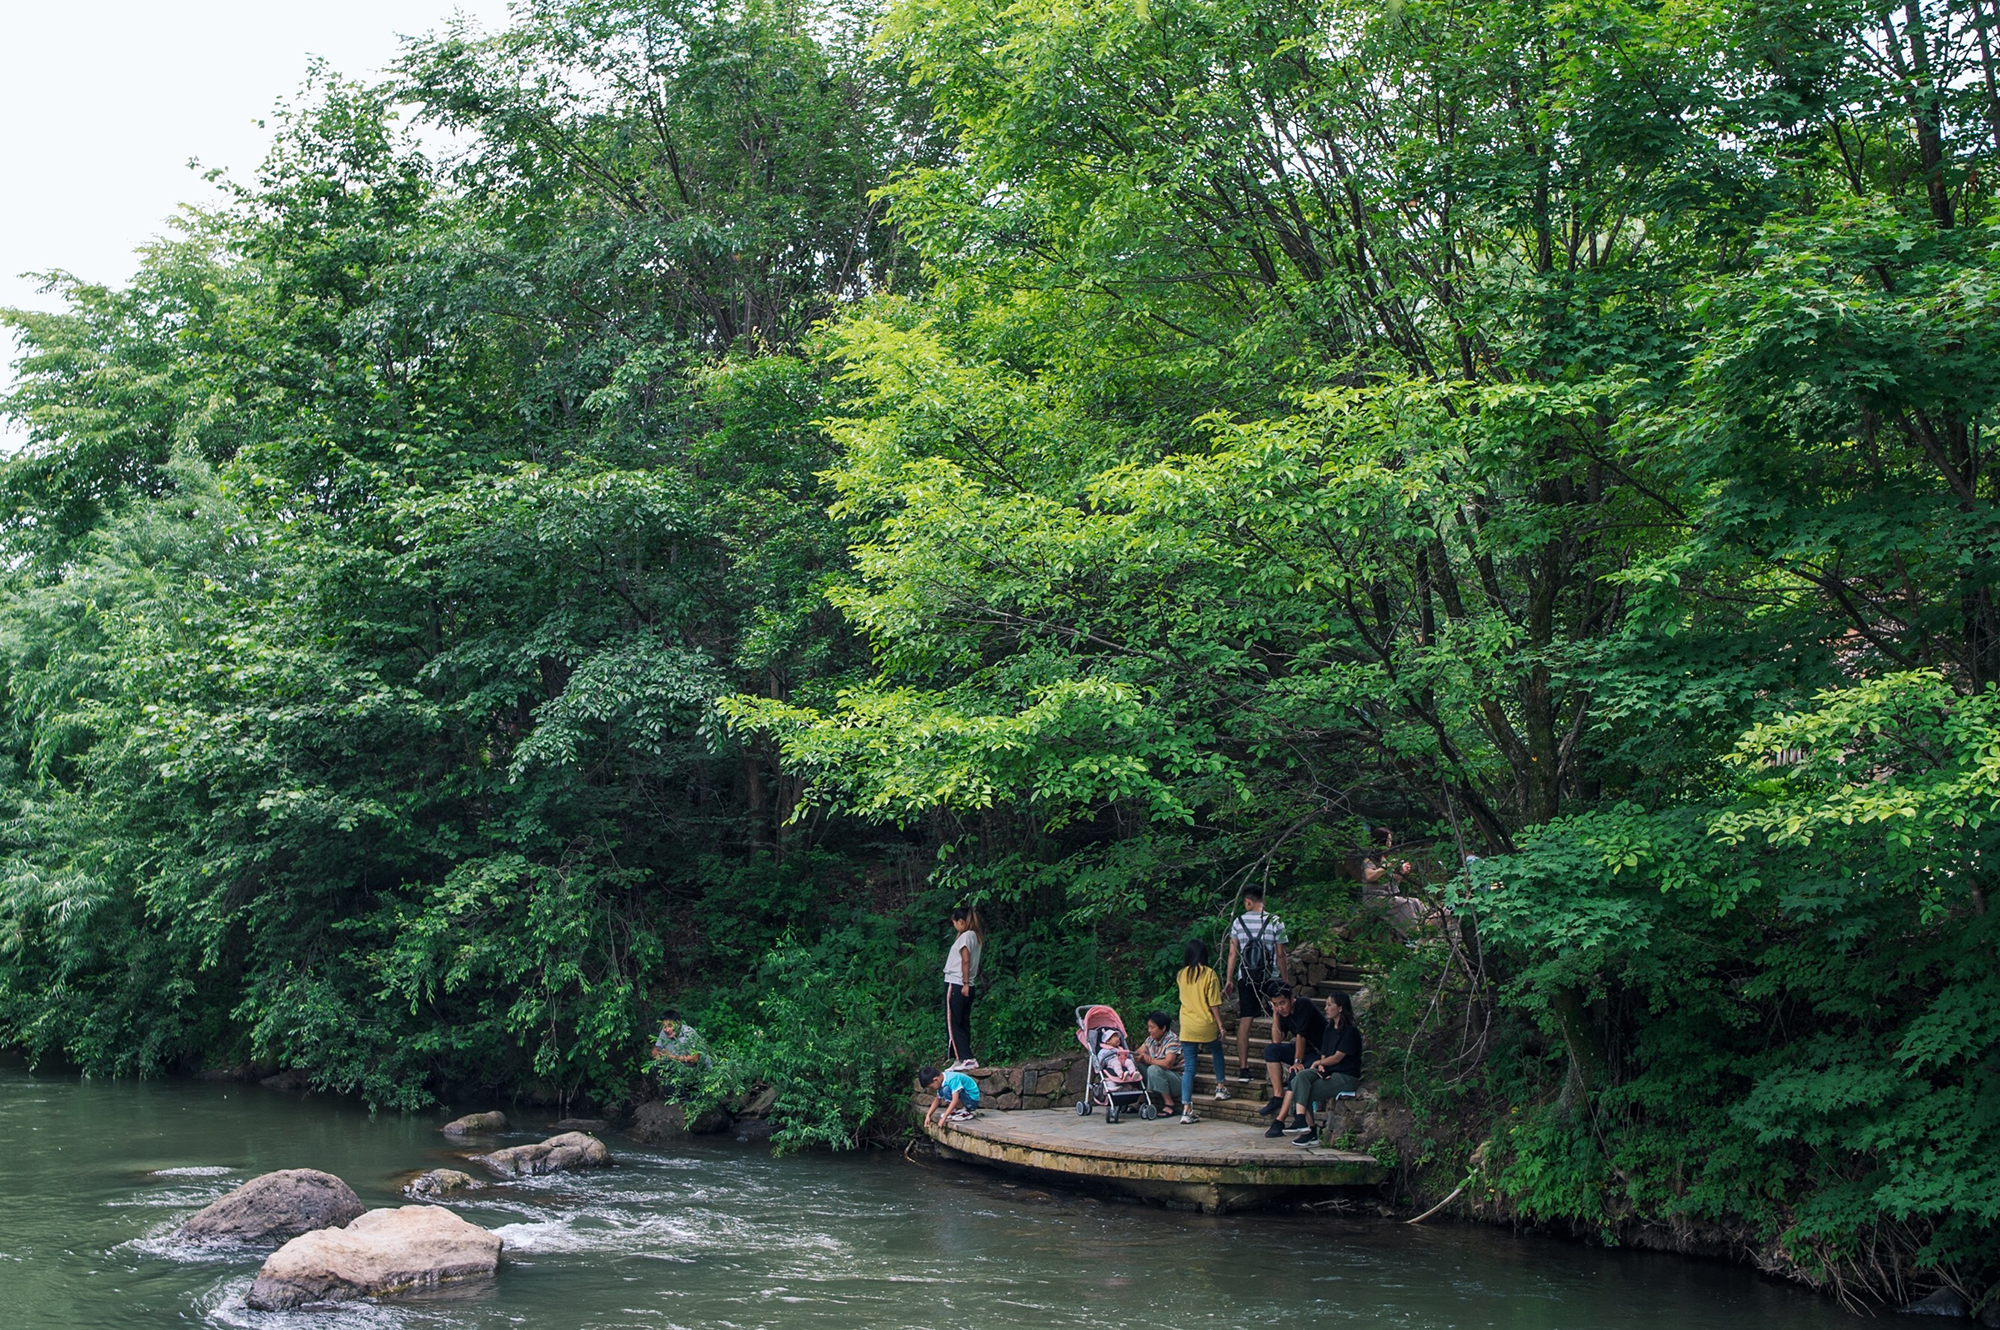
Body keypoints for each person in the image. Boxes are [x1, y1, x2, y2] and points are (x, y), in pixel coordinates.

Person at [1269, 991, 1364, 1146]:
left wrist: (1319, 1064)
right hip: (1330, 1072)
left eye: (1329, 1005)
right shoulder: (1328, 1029)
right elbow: (1324, 1055)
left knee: (1303, 1090)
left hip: (1345, 1076)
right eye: (1325, 1004)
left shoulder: (1350, 1031)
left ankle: (1309, 1130)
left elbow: (1337, 1057)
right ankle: (1302, 1122)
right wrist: (1321, 1067)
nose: (1326, 1008)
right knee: (1301, 1076)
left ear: (1340, 1008)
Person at [1224, 885, 1289, 1081]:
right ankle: (1275, 1065)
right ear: (1262, 899)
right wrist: (1285, 980)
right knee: (1276, 1017)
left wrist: (1229, 979)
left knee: (1245, 1021)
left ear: (1248, 901)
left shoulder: (1238, 922)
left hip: (1247, 977)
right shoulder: (1275, 921)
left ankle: (1244, 1069)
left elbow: (1232, 954)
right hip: (1270, 977)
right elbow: (1280, 955)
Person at [1256, 985, 1327, 1134]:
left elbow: (1301, 1036)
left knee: (1295, 1073)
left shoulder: (1303, 1005)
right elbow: (1277, 1040)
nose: (1280, 1007)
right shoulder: (1282, 1013)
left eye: (1282, 1003)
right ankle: (1278, 1095)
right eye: (1276, 1004)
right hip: (1303, 1051)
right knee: (1271, 1050)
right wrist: (1275, 1015)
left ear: (1292, 999)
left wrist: (1297, 1062)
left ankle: (1280, 1120)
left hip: (1318, 1053)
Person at [1175, 938, 1229, 1123]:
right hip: (1205, 1023)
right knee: (1216, 1051)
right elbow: (1213, 1003)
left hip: (1187, 1025)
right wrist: (1221, 1025)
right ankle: (1220, 1087)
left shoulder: (1181, 974)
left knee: (1189, 1067)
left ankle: (1186, 1109)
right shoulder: (1209, 974)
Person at [942, 905, 984, 1070]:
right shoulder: (974, 936)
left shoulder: (966, 936)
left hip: (957, 982)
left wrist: (965, 983)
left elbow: (965, 960)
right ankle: (961, 1057)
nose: (954, 926)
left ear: (961, 921)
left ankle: (966, 1057)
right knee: (962, 1021)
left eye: (954, 922)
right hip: (966, 983)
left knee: (953, 1022)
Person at [649, 1010, 710, 1097]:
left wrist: (671, 1057)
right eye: (664, 1026)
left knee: (682, 1068)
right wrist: (658, 1055)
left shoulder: (689, 1033)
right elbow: (655, 1050)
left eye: (670, 1026)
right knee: (656, 1066)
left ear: (678, 1023)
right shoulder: (664, 1032)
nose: (667, 1029)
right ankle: (672, 1094)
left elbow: (695, 1058)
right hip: (677, 1062)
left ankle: (691, 1093)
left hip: (697, 1068)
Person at [1134, 1012, 1184, 1115]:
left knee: (1153, 1069)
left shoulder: (1172, 1040)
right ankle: (1142, 1099)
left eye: (1152, 1027)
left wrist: (1150, 1060)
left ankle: (1169, 1104)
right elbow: (1138, 1052)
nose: (1149, 1030)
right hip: (1161, 1078)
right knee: (1136, 1064)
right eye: (1148, 1027)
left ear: (1163, 1028)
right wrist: (1141, 1057)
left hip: (1177, 1081)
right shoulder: (1150, 1039)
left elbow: (1168, 1063)